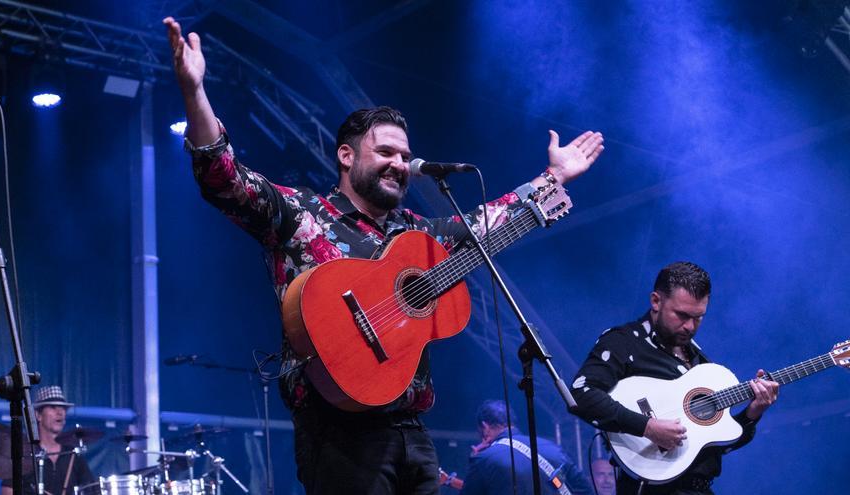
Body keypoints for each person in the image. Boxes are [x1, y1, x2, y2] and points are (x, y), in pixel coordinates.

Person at [163, 16, 604, 495]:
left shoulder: (417, 233)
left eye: (404, 155)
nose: (399, 164)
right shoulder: (302, 214)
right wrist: (195, 92)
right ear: (347, 156)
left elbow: (485, 221)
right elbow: (225, 180)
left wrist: (552, 179)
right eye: (387, 152)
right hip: (337, 430)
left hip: (412, 430)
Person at [569, 262, 780, 495]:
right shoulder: (624, 342)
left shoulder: (700, 362)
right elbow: (580, 394)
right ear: (656, 301)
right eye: (682, 315)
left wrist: (753, 413)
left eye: (698, 317)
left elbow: (716, 448)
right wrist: (647, 427)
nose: (690, 326)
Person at [461, 400, 594, 495]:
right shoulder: (552, 448)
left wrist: (476, 459)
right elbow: (585, 490)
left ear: (485, 427)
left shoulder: (484, 459)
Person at [1, 386, 95, 495]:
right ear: (38, 415)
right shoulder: (25, 454)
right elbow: (7, 491)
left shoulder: (74, 455)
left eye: (63, 408)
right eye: (53, 407)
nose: (60, 412)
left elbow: (91, 489)